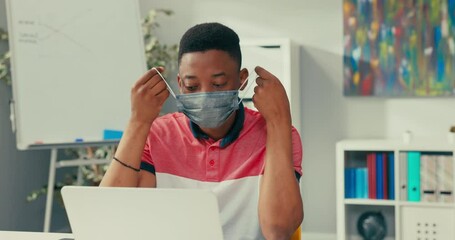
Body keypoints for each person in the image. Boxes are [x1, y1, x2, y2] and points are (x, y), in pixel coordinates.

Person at [100, 22, 303, 240]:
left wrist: (279, 121)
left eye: (218, 84)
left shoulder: (280, 133)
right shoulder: (157, 134)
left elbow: (278, 230)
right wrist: (138, 122)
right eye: (192, 87)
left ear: (241, 79)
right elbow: (107, 218)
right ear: (179, 83)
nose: (205, 96)